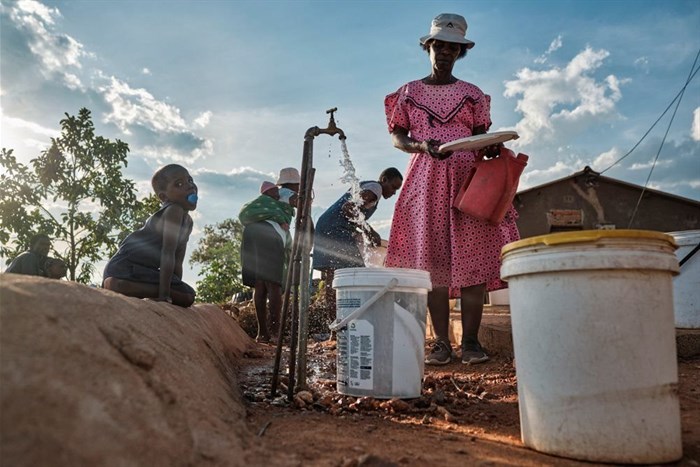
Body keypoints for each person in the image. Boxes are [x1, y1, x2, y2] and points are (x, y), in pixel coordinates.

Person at [383, 13, 520, 365]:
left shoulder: (472, 95)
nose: (444, 52)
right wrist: (419, 146)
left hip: (468, 182)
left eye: (452, 47)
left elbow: (481, 138)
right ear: (428, 47)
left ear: (460, 52)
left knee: (473, 260)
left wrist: (489, 148)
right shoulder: (409, 93)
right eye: (438, 45)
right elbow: (398, 136)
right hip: (425, 180)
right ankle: (442, 343)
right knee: (434, 263)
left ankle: (471, 342)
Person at [102, 164, 197, 307]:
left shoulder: (188, 222)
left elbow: (177, 261)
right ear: (164, 197)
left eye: (190, 180)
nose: (190, 186)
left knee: (187, 296)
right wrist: (165, 295)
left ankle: (124, 286)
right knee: (187, 296)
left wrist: (175, 286)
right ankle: (118, 285)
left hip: (141, 271)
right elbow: (167, 253)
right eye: (179, 184)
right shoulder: (173, 211)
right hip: (125, 267)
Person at [312, 168, 403, 307]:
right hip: (334, 230)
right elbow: (348, 208)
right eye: (393, 187)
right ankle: (346, 319)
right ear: (384, 180)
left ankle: (335, 323)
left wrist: (362, 233)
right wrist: (368, 230)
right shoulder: (375, 189)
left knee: (335, 277)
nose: (394, 192)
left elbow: (350, 214)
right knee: (353, 273)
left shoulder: (371, 188)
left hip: (326, 227)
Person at [239, 175, 299, 343]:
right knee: (274, 285)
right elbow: (303, 205)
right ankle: (275, 334)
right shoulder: (287, 193)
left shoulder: (270, 197)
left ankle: (262, 334)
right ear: (295, 184)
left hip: (251, 233)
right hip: (270, 234)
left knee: (259, 284)